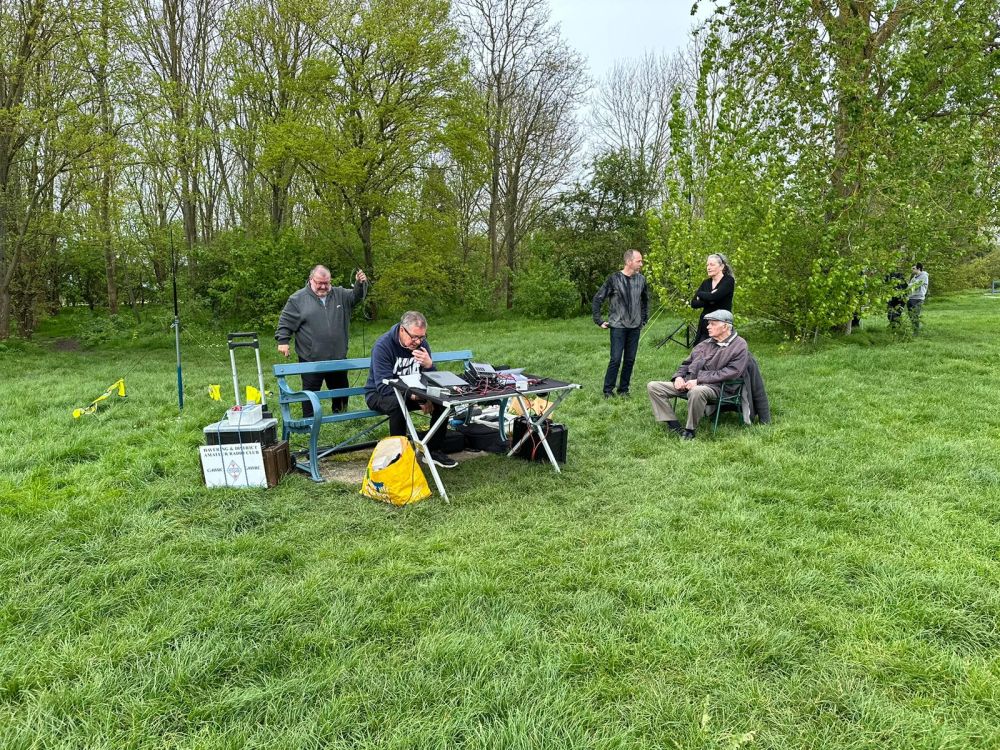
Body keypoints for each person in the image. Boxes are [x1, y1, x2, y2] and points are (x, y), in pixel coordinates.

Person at [364, 311, 457, 469]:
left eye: (422, 337)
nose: (418, 341)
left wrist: (429, 366)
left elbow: (430, 380)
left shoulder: (422, 345)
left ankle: (433, 451)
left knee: (443, 402)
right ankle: (399, 456)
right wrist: (418, 398)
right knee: (397, 405)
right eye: (414, 337)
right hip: (379, 394)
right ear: (402, 330)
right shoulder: (383, 346)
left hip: (413, 393)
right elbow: (383, 386)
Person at [276, 265, 368, 416]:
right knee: (310, 392)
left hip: (337, 357)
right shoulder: (297, 299)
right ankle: (309, 420)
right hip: (310, 358)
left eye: (327, 283)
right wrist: (283, 341)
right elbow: (286, 321)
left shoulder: (340, 294)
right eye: (320, 283)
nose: (324, 286)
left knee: (341, 390)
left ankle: (341, 417)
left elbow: (356, 296)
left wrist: (360, 283)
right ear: (311, 279)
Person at [646, 309, 748, 440]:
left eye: (712, 324)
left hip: (719, 388)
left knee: (697, 391)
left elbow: (732, 372)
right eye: (708, 323)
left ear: (725, 326)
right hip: (690, 383)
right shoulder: (705, 343)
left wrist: (698, 381)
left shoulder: (739, 345)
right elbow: (686, 363)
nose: (708, 327)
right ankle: (673, 424)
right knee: (653, 386)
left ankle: (690, 430)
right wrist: (678, 377)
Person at [592, 249, 649, 399]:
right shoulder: (614, 279)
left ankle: (624, 390)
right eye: (639, 261)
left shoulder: (641, 280)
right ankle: (608, 390)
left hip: (635, 327)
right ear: (629, 262)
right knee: (616, 359)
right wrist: (598, 320)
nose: (641, 264)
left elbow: (645, 300)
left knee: (630, 359)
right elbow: (598, 298)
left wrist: (644, 319)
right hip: (618, 326)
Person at [690, 253, 735, 346]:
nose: (708, 267)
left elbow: (714, 297)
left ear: (721, 266)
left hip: (721, 324)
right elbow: (693, 304)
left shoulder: (728, 281)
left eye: (712, 264)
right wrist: (709, 297)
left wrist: (703, 296)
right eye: (707, 265)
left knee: (720, 351)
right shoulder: (706, 283)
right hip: (705, 323)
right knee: (700, 350)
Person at [906, 262, 929, 334]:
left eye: (914, 268)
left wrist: (907, 285)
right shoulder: (914, 277)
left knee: (915, 315)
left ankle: (916, 332)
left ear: (919, 269)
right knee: (910, 315)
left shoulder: (924, 276)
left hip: (918, 298)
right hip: (911, 298)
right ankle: (914, 330)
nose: (912, 270)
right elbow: (909, 287)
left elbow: (915, 285)